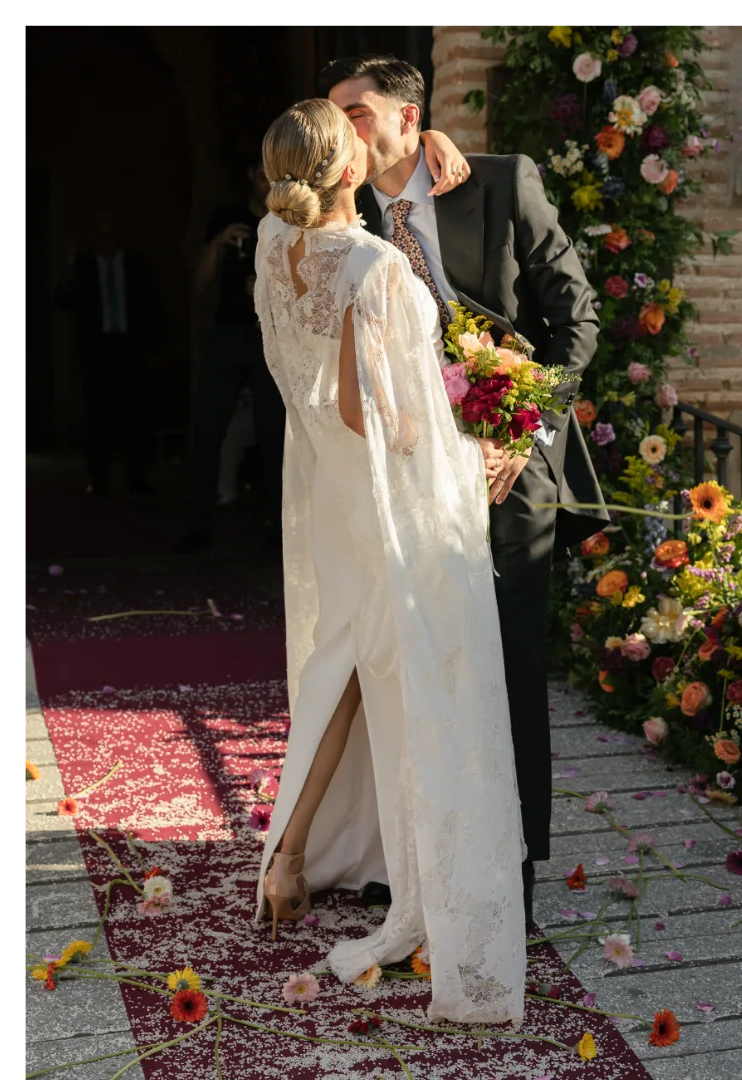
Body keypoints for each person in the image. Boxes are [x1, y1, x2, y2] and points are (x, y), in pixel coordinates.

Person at [247, 96, 526, 1026]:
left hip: (328, 494)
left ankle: (298, 856)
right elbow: (382, 419)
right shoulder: (373, 267)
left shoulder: (267, 245)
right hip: (382, 503)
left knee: (345, 668)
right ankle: (324, 860)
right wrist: (460, 420)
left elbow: (313, 393)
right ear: (353, 170)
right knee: (397, 675)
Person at [323, 54, 606, 918]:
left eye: (360, 114)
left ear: (411, 119)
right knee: (418, 662)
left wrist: (526, 432)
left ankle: (512, 869)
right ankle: (419, 855)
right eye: (336, 117)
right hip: (409, 471)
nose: (346, 132)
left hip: (507, 468)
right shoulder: (347, 218)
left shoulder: (500, 183)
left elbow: (578, 321)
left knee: (509, 666)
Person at [178, 134, 476, 554]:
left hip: (327, 449)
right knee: (212, 429)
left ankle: (264, 526)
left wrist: (431, 136)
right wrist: (451, 450)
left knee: (271, 433)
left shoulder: (272, 235)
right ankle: (200, 521)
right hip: (380, 453)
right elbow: (363, 409)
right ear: (350, 173)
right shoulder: (368, 259)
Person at [54, 207, 162, 497]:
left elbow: (151, 307)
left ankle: (137, 477)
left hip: (130, 347)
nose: (106, 228)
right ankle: (98, 477)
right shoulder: (84, 265)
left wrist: (152, 347)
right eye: (100, 222)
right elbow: (63, 302)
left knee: (136, 414)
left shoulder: (137, 264)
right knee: (99, 415)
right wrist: (66, 275)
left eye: (111, 221)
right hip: (98, 348)